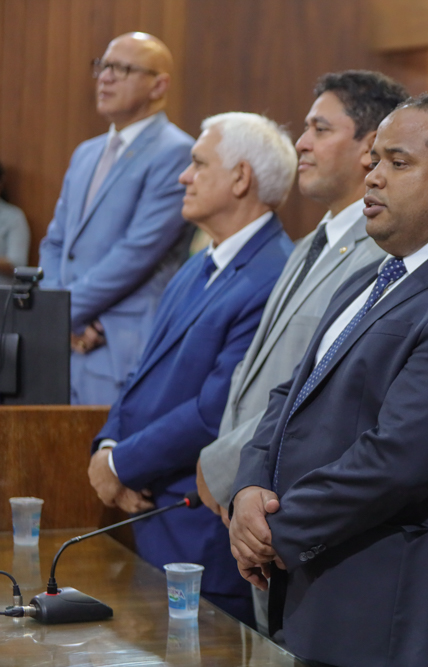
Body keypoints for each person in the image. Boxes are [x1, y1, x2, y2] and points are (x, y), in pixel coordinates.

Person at [228, 91, 428, 667]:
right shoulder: (371, 277)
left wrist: (274, 531)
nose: (372, 177)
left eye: (398, 163)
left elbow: (398, 458)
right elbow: (289, 396)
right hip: (312, 583)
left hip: (380, 612)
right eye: (372, 161)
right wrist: (246, 489)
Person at [194, 69, 404, 634]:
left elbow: (321, 387)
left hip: (290, 508)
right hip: (250, 492)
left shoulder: (379, 253)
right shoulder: (312, 239)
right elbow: (259, 369)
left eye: (318, 128)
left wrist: (224, 464)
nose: (301, 144)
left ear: (370, 147)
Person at [87, 112, 296, 625]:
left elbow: (217, 411)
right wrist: (109, 446)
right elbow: (140, 373)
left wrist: (119, 466)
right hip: (148, 514)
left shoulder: (272, 275)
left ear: (241, 178)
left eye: (198, 164)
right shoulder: (199, 264)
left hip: (197, 530)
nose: (184, 176)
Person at [38, 32, 193, 405]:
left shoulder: (177, 151)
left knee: (99, 459)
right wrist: (55, 313)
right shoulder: (86, 152)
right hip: (65, 342)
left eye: (121, 68)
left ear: (159, 85)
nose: (105, 77)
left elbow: (137, 253)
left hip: (114, 340)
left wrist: (63, 315)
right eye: (103, 66)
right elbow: (56, 242)